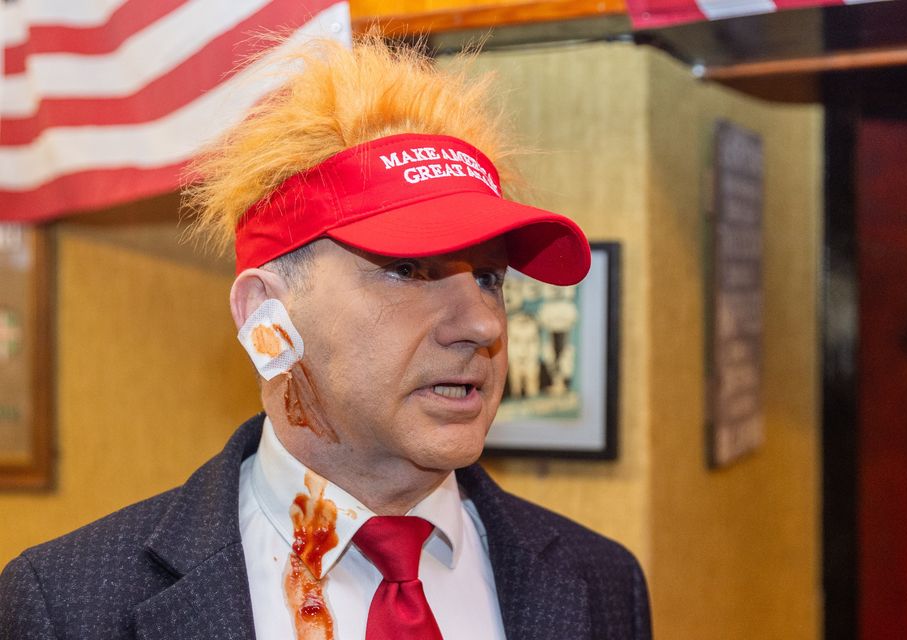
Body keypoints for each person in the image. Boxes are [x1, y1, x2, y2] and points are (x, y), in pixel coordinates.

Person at [0, 36, 652, 640]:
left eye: (489, 277)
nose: (483, 325)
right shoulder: (69, 606)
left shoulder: (602, 586)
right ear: (266, 314)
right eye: (408, 270)